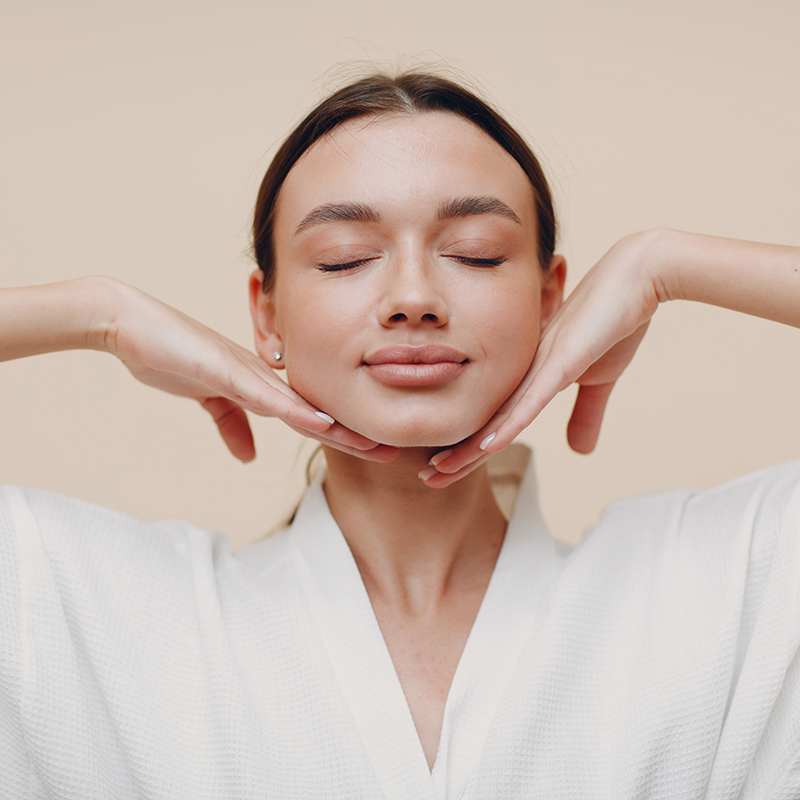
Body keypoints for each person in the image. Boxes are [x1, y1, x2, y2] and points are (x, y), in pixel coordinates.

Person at [1, 72, 798, 799]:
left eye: (475, 255)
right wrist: (95, 313)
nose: (413, 297)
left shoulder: (715, 585)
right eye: (346, 259)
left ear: (554, 300)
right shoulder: (102, 608)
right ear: (265, 313)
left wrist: (667, 265)